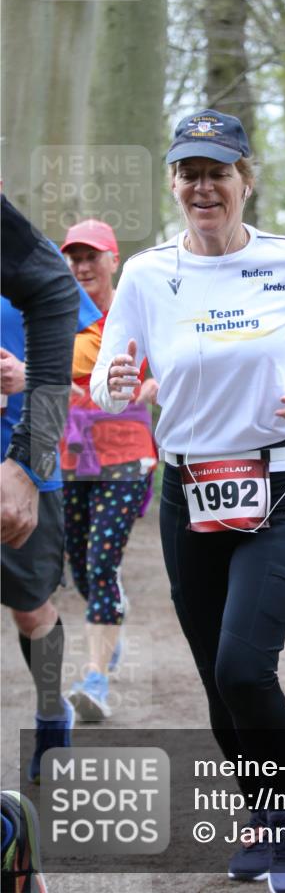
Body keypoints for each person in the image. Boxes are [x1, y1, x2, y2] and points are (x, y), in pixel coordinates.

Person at [89, 109, 285, 893]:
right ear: (173, 184)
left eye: (217, 172)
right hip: (188, 494)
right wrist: (114, 385)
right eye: (188, 174)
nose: (202, 187)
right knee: (216, 677)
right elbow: (110, 378)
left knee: (244, 665)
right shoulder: (147, 274)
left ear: (246, 180)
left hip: (278, 487)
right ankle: (260, 816)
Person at [59, 220, 158, 721]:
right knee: (80, 566)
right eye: (74, 257)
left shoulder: (136, 311)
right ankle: (112, 603)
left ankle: (94, 678)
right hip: (71, 456)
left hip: (126, 455)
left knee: (100, 564)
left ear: (113, 260)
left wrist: (154, 386)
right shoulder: (58, 315)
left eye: (91, 256)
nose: (82, 266)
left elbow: (173, 362)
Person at [0, 194, 80, 784]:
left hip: (22, 468)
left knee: (31, 611)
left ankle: (52, 707)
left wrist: (26, 377)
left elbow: (84, 366)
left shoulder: (30, 261)